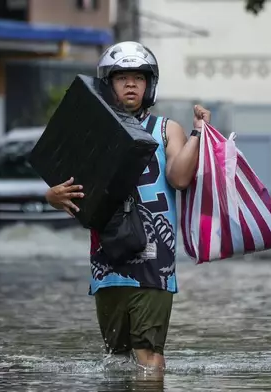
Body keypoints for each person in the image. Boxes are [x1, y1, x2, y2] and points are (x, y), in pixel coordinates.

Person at [45, 41, 211, 371]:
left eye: (139, 77)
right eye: (122, 78)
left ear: (149, 85)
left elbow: (179, 178)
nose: (131, 84)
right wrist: (51, 196)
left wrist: (197, 132)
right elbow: (64, 185)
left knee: (148, 356)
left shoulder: (166, 129)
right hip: (106, 263)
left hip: (154, 264)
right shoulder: (90, 132)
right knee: (116, 361)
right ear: (109, 85)